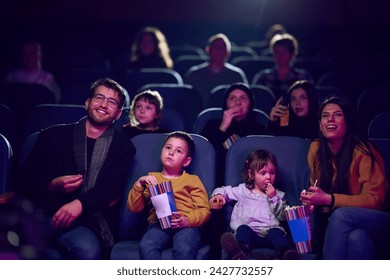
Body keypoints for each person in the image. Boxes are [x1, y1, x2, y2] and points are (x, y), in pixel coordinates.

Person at [20, 77, 136, 259]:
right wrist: (53, 184)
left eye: (111, 102)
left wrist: (79, 204)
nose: (104, 104)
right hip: (43, 214)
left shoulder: (123, 146)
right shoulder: (51, 135)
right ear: (87, 103)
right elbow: (25, 180)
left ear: (118, 113)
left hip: (87, 222)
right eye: (99, 98)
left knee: (86, 249)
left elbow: (111, 189)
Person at [300, 96, 389, 259]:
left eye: (337, 114)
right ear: (320, 124)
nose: (330, 119)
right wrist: (312, 202)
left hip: (378, 220)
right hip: (340, 223)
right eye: (325, 115)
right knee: (357, 238)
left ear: (347, 121)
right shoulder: (315, 149)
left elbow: (376, 200)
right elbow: (318, 190)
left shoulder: (363, 151)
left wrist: (329, 200)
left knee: (342, 214)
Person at [127, 131, 211, 259]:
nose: (171, 152)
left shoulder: (192, 180)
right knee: (147, 245)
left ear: (186, 161)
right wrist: (139, 185)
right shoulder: (151, 178)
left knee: (184, 246)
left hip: (186, 225)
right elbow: (134, 208)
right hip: (158, 224)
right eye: (168, 147)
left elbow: (204, 211)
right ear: (162, 151)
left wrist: (187, 220)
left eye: (178, 151)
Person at [210, 149, 298, 260]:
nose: (268, 177)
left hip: (269, 233)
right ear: (251, 175)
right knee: (242, 230)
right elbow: (224, 190)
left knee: (277, 233)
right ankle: (239, 251)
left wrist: (273, 197)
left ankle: (286, 252)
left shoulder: (278, 195)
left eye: (272, 173)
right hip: (250, 233)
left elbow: (283, 216)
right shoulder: (243, 190)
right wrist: (218, 195)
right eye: (263, 173)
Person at [200, 83, 267, 187]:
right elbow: (205, 155)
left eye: (243, 98)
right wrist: (223, 127)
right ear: (225, 103)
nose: (238, 102)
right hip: (217, 178)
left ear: (250, 104)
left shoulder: (259, 129)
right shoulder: (211, 125)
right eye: (232, 98)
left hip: (250, 181)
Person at [184, 33, 248, 108]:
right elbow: (187, 101)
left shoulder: (237, 75)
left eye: (223, 48)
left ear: (228, 52)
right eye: (216, 47)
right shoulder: (194, 74)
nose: (219, 50)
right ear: (208, 50)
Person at [252, 33, 314, 99]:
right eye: (276, 52)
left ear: (292, 53)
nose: (279, 55)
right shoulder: (263, 77)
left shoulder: (304, 77)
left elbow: (312, 101)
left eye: (283, 52)